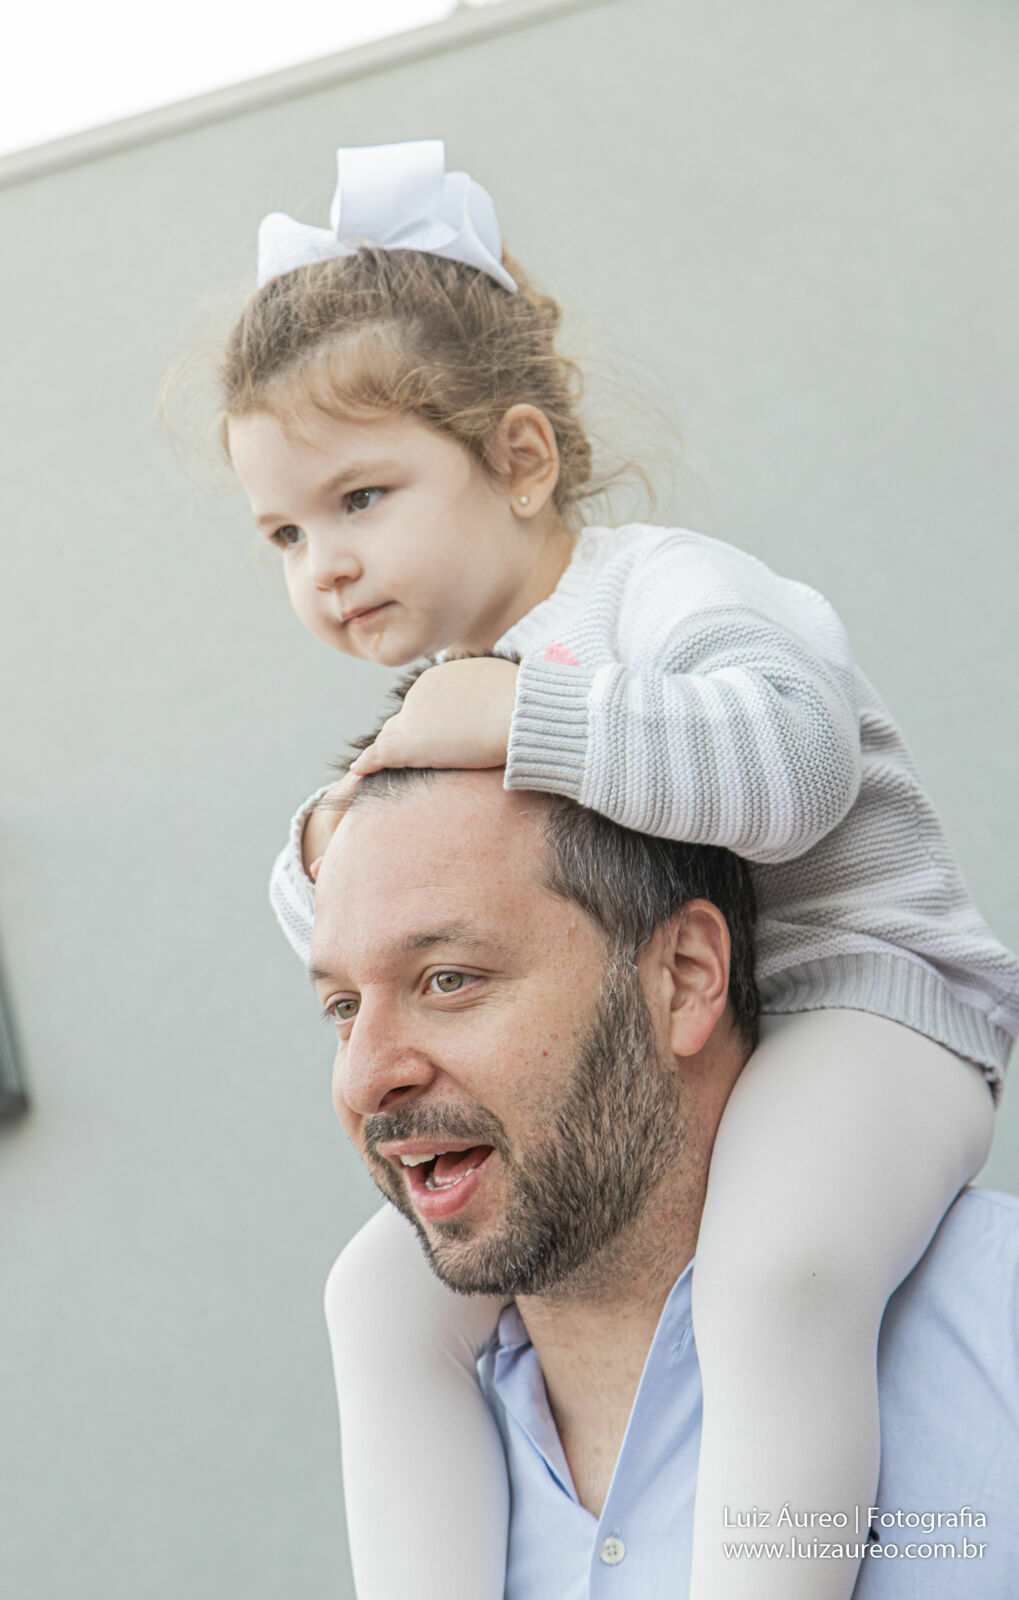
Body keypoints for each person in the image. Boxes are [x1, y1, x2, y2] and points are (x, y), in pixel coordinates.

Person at [217, 139, 1019, 1600]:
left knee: (772, 1276)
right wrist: (336, 827)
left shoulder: (666, 591)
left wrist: (525, 717)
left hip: (870, 1006)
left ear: (519, 460)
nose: (319, 564)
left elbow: (794, 763)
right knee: (373, 1301)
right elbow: (348, 910)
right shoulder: (456, 692)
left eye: (361, 499)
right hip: (729, 1029)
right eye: (282, 531)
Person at [304, 756, 1019, 1597]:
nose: (362, 1080)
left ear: (682, 978)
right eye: (343, 1006)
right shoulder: (414, 1438)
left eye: (450, 979)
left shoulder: (996, 1339)